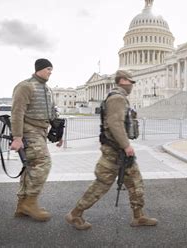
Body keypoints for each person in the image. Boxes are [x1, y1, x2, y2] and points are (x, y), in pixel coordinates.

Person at [65, 70, 157, 230]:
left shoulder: (119, 97)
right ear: (122, 81)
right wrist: (126, 145)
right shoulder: (117, 98)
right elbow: (115, 123)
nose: (132, 86)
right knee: (102, 183)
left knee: (135, 182)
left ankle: (139, 216)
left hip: (119, 150)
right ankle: (75, 214)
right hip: (114, 150)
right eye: (130, 82)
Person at [10, 58, 63, 222]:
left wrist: (59, 135)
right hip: (29, 130)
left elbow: (52, 112)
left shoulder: (46, 89)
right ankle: (30, 202)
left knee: (31, 166)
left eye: (51, 69)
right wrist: (17, 138)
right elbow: (17, 113)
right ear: (39, 69)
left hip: (41, 130)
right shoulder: (25, 86)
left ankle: (22, 205)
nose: (50, 72)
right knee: (43, 162)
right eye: (48, 69)